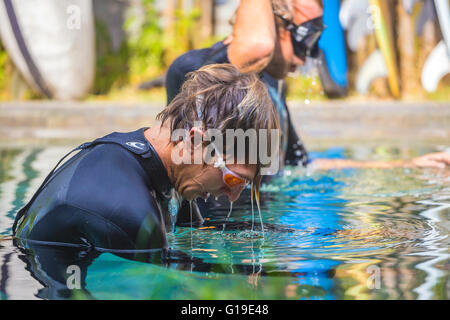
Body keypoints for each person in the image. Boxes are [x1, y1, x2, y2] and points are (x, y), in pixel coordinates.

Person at [12, 64, 280, 251]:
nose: (233, 196)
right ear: (197, 141)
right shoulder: (127, 211)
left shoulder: (171, 175)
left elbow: (197, 235)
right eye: (234, 179)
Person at [165, 0, 450, 170]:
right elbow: (258, 47)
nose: (308, 58)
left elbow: (299, 167)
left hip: (262, 234)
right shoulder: (197, 72)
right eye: (306, 39)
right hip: (212, 240)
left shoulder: (271, 86)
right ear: (273, 25)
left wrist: (404, 166)